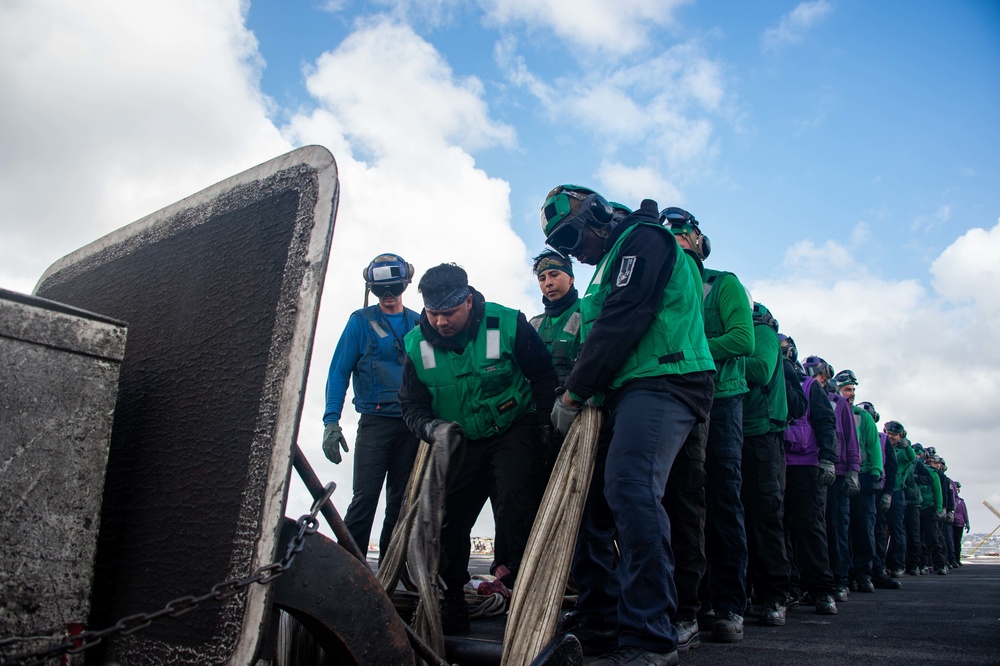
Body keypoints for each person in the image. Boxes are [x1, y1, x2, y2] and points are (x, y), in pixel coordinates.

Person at [542, 185, 714, 665]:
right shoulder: (609, 263)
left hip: (665, 378)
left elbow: (625, 317)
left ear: (597, 214)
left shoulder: (644, 240)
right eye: (565, 246)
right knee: (592, 502)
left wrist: (575, 391)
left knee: (631, 487)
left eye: (575, 238)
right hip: (625, 388)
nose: (576, 252)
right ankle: (601, 621)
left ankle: (650, 637)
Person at [398, 262, 558, 634]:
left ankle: (524, 595)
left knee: (517, 503)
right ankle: (453, 597)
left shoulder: (507, 323)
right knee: (448, 521)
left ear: (468, 302)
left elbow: (543, 375)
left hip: (511, 430)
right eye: (433, 313)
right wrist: (429, 427)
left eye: (448, 313)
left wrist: (545, 426)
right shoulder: (415, 345)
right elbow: (411, 405)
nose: (440, 322)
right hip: (458, 441)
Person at [662, 206, 753, 644]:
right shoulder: (661, 284)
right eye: (668, 232)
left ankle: (730, 605)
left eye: (683, 231)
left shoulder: (723, 283)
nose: (675, 237)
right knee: (682, 500)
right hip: (678, 399)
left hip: (724, 401)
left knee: (721, 501)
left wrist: (688, 348)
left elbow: (742, 338)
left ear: (698, 239)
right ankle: (685, 606)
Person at [322, 253, 421, 560]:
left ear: (404, 283)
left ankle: (392, 573)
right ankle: (347, 570)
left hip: (411, 425)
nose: (388, 296)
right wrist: (331, 420)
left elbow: (433, 372)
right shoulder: (360, 323)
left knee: (401, 502)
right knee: (364, 499)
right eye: (381, 291)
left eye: (393, 288)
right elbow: (339, 372)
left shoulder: (419, 323)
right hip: (375, 424)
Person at [741, 303, 792, 626]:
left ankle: (774, 594)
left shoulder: (762, 332)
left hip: (761, 434)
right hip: (740, 431)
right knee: (739, 518)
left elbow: (760, 370)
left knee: (764, 516)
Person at [781, 342, 839, 615]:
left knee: (809, 528)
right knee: (779, 529)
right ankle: (789, 588)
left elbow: (826, 422)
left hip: (805, 465)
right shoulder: (767, 378)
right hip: (775, 463)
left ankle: (821, 590)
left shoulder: (809, 386)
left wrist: (828, 458)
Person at [803, 357, 859, 603]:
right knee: (817, 526)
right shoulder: (803, 391)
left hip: (835, 472)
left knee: (836, 528)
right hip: (810, 467)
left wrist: (853, 472)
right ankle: (809, 583)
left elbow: (849, 438)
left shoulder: (839, 403)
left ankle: (839, 580)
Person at [833, 369, 884, 594]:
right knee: (842, 527)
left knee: (863, 528)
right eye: (847, 389)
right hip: (839, 474)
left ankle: (864, 574)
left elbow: (873, 445)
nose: (851, 394)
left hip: (862, 476)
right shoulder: (834, 409)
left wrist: (875, 472)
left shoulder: (862, 417)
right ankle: (845, 574)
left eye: (853, 390)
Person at [856, 401, 901, 589]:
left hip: (877, 490)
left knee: (877, 532)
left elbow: (891, 469)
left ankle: (877, 571)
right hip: (859, 484)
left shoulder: (882, 440)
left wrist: (888, 494)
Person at [528, 250, 582, 387]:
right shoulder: (533, 324)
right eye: (542, 278)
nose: (548, 283)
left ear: (571, 279)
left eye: (554, 275)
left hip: (580, 401)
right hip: (541, 403)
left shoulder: (587, 312)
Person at [883, 420, 914, 577]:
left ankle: (897, 564)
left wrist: (906, 445)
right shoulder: (882, 445)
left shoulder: (903, 451)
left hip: (897, 492)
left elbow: (912, 457)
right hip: (882, 489)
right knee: (881, 529)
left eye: (894, 435)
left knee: (896, 530)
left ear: (900, 436)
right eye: (888, 433)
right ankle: (882, 563)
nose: (891, 437)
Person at [953, 482, 970, 565]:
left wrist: (967, 523)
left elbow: (964, 513)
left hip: (959, 523)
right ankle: (952, 559)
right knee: (951, 541)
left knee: (957, 543)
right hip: (951, 523)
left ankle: (957, 559)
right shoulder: (952, 500)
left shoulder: (961, 501)